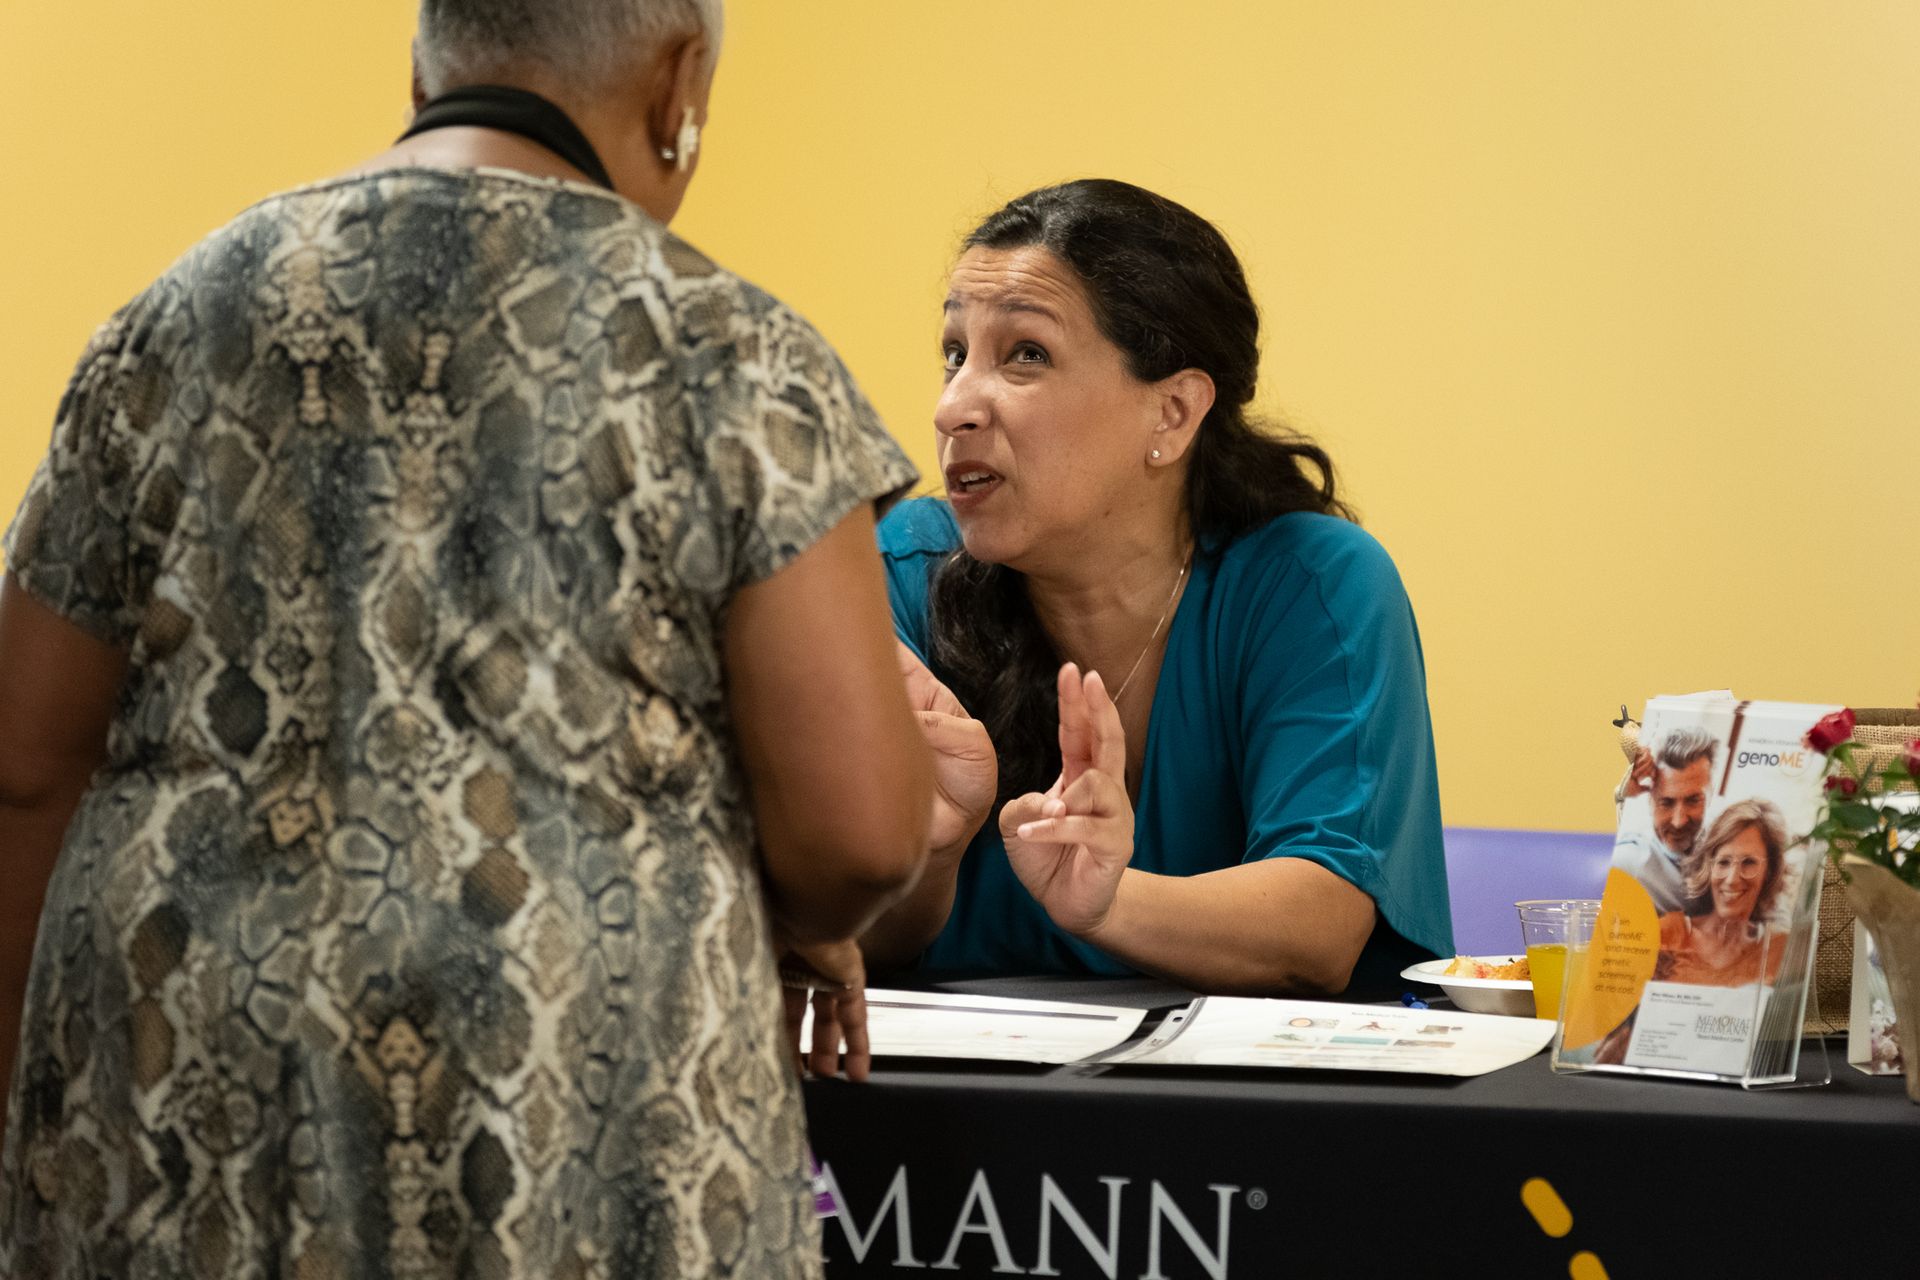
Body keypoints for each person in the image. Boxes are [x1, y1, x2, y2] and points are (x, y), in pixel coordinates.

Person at [0, 2, 932, 1275]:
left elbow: (21, 760)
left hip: (189, 1101)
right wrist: (788, 903)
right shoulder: (730, 350)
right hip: (576, 1115)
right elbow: (859, 832)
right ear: (679, 88)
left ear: (428, 64)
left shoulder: (174, 317)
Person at [863, 179, 1451, 995]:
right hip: (969, 1104)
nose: (954, 405)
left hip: (1255, 1111)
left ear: (1173, 413)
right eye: (954, 354)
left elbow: (1319, 927)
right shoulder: (903, 568)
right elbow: (859, 944)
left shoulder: (1312, 582)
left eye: (1025, 355)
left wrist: (1106, 905)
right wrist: (926, 856)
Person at [1653, 798, 1791, 987]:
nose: (1732, 879)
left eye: (1749, 862)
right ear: (1709, 868)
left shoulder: (1779, 949)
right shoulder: (1666, 933)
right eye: (1723, 862)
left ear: (1769, 871)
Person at [1616, 726, 1719, 912]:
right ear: (1650, 799)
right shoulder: (1631, 862)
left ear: (1711, 796)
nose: (1678, 821)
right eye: (1666, 802)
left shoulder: (1733, 850)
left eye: (1693, 800)